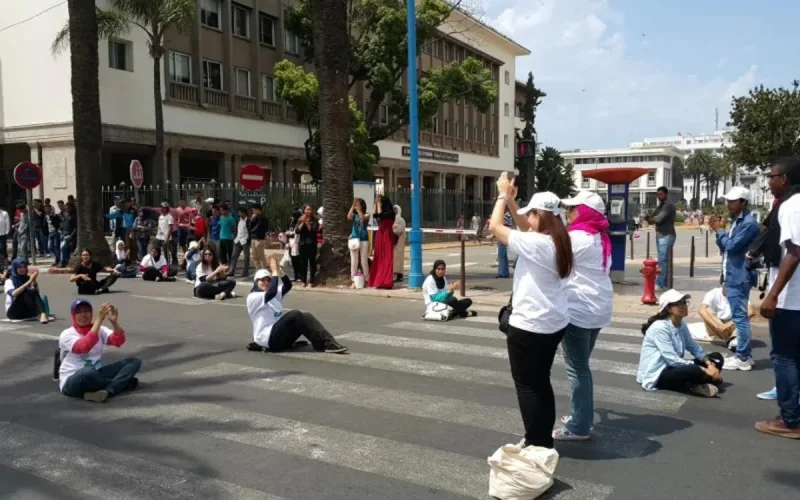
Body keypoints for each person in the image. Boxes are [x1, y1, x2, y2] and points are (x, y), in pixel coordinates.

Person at [488, 173, 574, 450]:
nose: (528, 220)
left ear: (541, 215)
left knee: (526, 386)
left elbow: (495, 227)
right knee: (540, 382)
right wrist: (514, 202)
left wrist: (502, 195)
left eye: (531, 214)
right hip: (553, 323)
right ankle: (542, 437)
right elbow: (525, 226)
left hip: (530, 326)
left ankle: (537, 442)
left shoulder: (537, 244)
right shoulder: (558, 238)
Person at [552, 191, 613, 441]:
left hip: (579, 310)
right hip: (598, 309)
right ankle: (581, 414)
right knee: (581, 367)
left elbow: (553, 259)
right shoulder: (600, 236)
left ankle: (579, 426)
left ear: (585, 211)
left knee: (577, 370)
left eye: (573, 208)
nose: (569, 212)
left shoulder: (577, 237)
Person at [756, 157, 800, 439]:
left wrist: (772, 295)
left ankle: (790, 420)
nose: (768, 181)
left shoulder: (791, 205)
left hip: (791, 299)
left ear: (784, 179)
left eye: (771, 176)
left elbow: (795, 251)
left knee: (784, 358)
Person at [246, 256, 348, 353]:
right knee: (295, 315)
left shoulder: (269, 294)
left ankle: (328, 342)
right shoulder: (253, 297)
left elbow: (287, 285)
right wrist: (274, 272)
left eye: (268, 280)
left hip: (278, 336)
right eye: (262, 280)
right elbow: (272, 292)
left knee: (306, 316)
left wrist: (279, 270)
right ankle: (325, 345)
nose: (266, 282)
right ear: (255, 282)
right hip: (267, 338)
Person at [708, 186, 760, 371]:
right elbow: (725, 249)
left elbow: (732, 246)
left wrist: (720, 231)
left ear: (743, 203)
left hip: (740, 275)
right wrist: (719, 232)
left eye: (733, 201)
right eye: (728, 200)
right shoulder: (737, 222)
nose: (729, 204)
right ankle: (744, 355)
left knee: (739, 318)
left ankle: (743, 358)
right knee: (738, 316)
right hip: (733, 273)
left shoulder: (747, 224)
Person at [637, 290, 724, 397]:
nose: (683, 306)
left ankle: (698, 381)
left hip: (674, 367)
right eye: (679, 304)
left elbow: (693, 346)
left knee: (717, 357)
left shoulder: (681, 324)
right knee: (694, 370)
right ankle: (694, 384)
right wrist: (704, 370)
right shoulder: (660, 328)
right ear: (668, 308)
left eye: (684, 302)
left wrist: (709, 364)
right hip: (659, 372)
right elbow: (672, 359)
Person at [58, 300, 141, 403]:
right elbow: (84, 346)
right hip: (73, 379)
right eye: (79, 312)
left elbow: (118, 340)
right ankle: (119, 384)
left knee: (133, 362)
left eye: (86, 311)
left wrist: (114, 323)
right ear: (73, 316)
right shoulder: (67, 334)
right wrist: (99, 319)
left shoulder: (100, 329)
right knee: (87, 372)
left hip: (96, 373)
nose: (83, 315)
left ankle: (108, 390)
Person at [4, 258, 52, 323]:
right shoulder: (9, 281)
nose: (23, 269)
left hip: (28, 311)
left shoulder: (28, 278)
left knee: (33, 291)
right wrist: (29, 282)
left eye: (24, 267)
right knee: (23, 292)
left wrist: (34, 281)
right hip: (14, 312)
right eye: (20, 267)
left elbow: (37, 293)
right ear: (15, 268)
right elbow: (13, 294)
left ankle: (43, 314)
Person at [367, 195, 395, 289]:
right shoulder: (382, 211)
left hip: (387, 235)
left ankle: (386, 281)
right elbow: (375, 215)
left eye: (382, 203)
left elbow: (380, 215)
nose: (380, 204)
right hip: (380, 235)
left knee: (387, 257)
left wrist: (379, 203)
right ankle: (378, 280)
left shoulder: (391, 212)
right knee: (379, 257)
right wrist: (376, 203)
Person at [651, 186, 676, 291]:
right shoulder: (660, 206)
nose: (658, 196)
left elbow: (658, 219)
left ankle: (661, 284)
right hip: (660, 235)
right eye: (657, 194)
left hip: (666, 235)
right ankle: (663, 282)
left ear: (666, 194)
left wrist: (653, 219)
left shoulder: (668, 205)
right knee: (663, 260)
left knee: (662, 261)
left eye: (660, 194)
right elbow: (652, 217)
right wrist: (652, 218)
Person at [347, 198, 370, 287]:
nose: (357, 206)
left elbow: (362, 218)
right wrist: (353, 206)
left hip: (364, 239)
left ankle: (367, 279)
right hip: (354, 239)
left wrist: (359, 210)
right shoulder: (354, 215)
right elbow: (348, 216)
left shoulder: (367, 214)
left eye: (358, 204)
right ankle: (353, 280)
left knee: (364, 260)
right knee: (354, 261)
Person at [296, 204, 320, 287]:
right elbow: (297, 231)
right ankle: (303, 281)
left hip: (312, 244)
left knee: (312, 263)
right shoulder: (300, 220)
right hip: (302, 244)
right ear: (304, 211)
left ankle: (311, 281)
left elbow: (312, 231)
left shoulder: (315, 220)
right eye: (307, 209)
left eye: (310, 209)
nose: (309, 211)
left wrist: (306, 222)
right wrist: (302, 222)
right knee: (303, 263)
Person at [229, 206, 251, 278]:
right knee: (234, 256)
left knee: (246, 257)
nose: (239, 214)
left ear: (244, 213)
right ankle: (231, 271)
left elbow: (250, 231)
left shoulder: (248, 221)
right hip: (238, 239)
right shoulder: (238, 220)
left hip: (245, 240)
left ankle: (245, 272)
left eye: (240, 212)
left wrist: (248, 239)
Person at [248, 204, 269, 272]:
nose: (253, 212)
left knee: (261, 257)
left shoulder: (263, 218)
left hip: (259, 239)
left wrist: (252, 231)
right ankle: (258, 270)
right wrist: (251, 219)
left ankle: (264, 271)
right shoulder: (254, 217)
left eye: (254, 210)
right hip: (253, 239)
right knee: (255, 257)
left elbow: (258, 228)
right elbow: (249, 227)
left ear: (258, 210)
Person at [496, 209, 513, 278]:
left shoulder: (505, 215)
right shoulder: (508, 215)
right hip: (505, 235)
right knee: (503, 255)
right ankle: (505, 272)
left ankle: (502, 272)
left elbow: (500, 225)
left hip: (502, 235)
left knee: (501, 255)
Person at [392, 205, 406, 283]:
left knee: (397, 259)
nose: (394, 211)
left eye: (396, 210)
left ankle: (397, 275)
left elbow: (397, 230)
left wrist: (391, 226)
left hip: (398, 243)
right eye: (393, 209)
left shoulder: (400, 220)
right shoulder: (393, 219)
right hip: (394, 242)